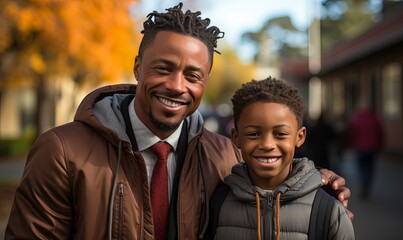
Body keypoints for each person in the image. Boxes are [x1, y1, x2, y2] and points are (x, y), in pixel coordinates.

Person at [5, 3, 352, 240]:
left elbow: (271, 195)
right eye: (163, 68)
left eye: (193, 75)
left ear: (204, 83)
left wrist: (319, 185)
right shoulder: (62, 151)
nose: (177, 85)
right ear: (138, 66)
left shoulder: (225, 155)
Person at [209, 77, 355, 240]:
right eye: (253, 134)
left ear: (300, 137)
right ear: (236, 137)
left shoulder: (328, 210)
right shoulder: (218, 203)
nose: (267, 144)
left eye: (280, 134)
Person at [346, 98, 383, 199]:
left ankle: (363, 184)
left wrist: (351, 145)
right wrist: (379, 146)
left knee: (361, 167)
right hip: (372, 148)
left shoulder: (356, 119)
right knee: (370, 168)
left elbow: (351, 134)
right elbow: (380, 133)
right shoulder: (374, 118)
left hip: (360, 148)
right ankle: (366, 185)